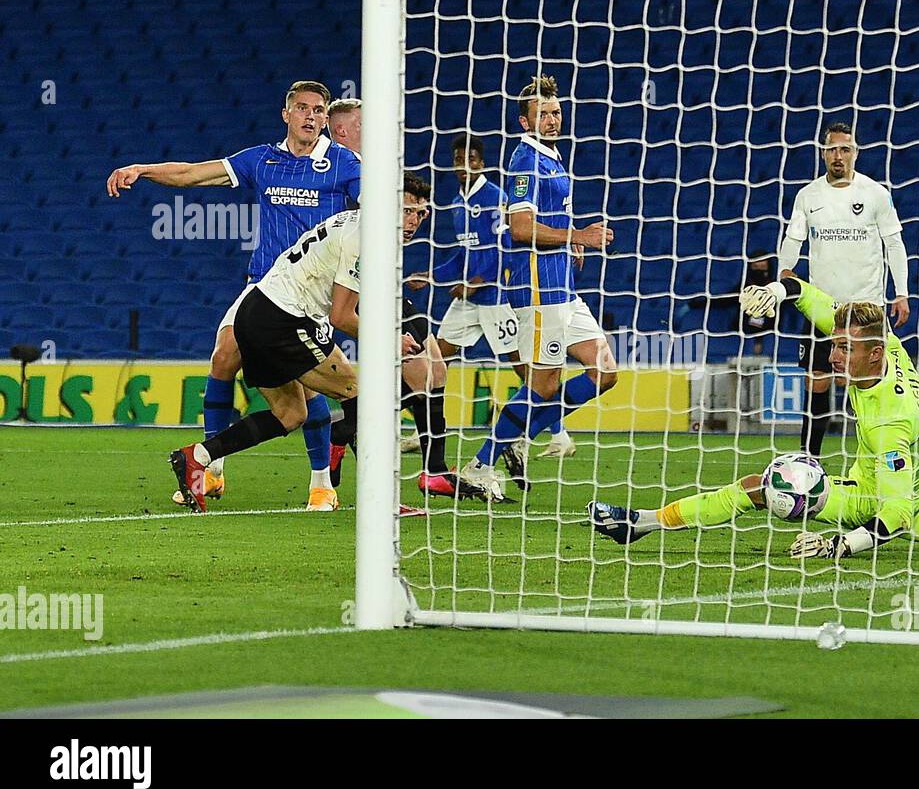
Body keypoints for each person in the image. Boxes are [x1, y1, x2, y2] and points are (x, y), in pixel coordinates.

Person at [589, 277, 919, 559]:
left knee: (765, 485)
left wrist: (839, 546)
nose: (833, 353)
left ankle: (641, 523)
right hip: (881, 473)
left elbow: (898, 512)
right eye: (836, 343)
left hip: (882, 490)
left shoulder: (891, 422)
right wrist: (776, 291)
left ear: (874, 354)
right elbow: (811, 296)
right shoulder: (878, 343)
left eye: (845, 349)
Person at [107, 80, 361, 509]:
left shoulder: (344, 164)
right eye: (302, 108)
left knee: (309, 392)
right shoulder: (261, 159)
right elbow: (192, 173)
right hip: (264, 284)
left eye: (319, 111)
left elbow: (368, 215)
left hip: (312, 293)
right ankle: (210, 471)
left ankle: (322, 483)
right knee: (224, 354)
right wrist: (142, 169)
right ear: (287, 114)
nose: (311, 117)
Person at [169, 174, 436, 512]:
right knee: (359, 397)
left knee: (290, 414)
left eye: (420, 214)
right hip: (283, 319)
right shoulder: (366, 237)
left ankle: (198, 456)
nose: (413, 221)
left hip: (256, 314)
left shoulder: (357, 225)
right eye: (407, 210)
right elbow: (341, 316)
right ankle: (380, 501)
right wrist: (389, 341)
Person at [457, 74, 618, 497]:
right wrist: (578, 236)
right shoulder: (525, 160)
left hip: (562, 283)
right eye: (543, 113)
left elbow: (548, 220)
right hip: (538, 289)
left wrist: (569, 241)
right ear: (525, 122)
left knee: (604, 372)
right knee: (543, 385)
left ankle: (521, 432)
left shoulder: (551, 156)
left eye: (556, 112)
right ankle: (482, 462)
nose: (552, 119)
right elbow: (520, 227)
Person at [778, 121, 910, 457]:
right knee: (817, 381)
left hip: (866, 310)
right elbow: (793, 239)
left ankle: (877, 455)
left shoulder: (876, 194)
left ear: (856, 153)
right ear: (823, 153)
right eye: (832, 149)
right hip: (823, 307)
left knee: (866, 385)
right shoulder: (808, 196)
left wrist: (902, 291)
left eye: (845, 149)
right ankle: (810, 461)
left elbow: (894, 244)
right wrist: (784, 273)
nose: (839, 155)